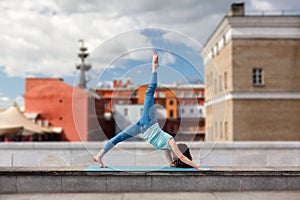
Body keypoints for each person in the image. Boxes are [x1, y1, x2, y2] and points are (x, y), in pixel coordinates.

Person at [93, 52, 208, 170]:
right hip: (144, 128)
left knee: (149, 92)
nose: (175, 155)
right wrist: (192, 166)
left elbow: (179, 158)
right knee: (119, 138)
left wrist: (197, 167)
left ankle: (154, 67)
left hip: (147, 123)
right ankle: (99, 156)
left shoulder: (170, 143)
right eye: (176, 155)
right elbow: (177, 157)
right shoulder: (169, 143)